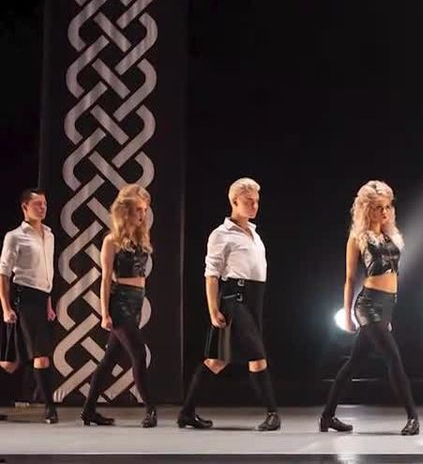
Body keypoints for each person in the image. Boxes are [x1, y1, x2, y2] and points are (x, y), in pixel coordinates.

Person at [177, 178, 280, 431]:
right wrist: (213, 309)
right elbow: (211, 274)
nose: (254, 206)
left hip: (255, 299)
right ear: (234, 201)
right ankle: (272, 413)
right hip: (235, 298)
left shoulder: (254, 234)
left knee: (217, 360)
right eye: (248, 201)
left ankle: (187, 412)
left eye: (256, 201)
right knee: (257, 355)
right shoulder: (221, 234)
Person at [319, 180, 419, 435]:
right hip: (368, 304)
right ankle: (412, 417)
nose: (384, 212)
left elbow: (394, 275)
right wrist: (347, 314)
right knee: (393, 357)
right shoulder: (358, 238)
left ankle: (327, 416)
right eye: (378, 208)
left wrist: (388, 314)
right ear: (367, 209)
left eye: (387, 207)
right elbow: (350, 279)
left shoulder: (390, 235)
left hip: (387, 305)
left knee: (354, 362)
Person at [79, 184, 158, 427]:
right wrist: (104, 313)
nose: (142, 215)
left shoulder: (140, 237)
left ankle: (88, 411)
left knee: (110, 359)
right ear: (126, 212)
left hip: (136, 300)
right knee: (139, 353)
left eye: (144, 210)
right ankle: (151, 409)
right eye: (138, 210)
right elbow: (105, 280)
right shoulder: (111, 240)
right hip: (120, 301)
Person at [0, 189, 59, 424]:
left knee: (11, 363)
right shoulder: (14, 236)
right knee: (41, 355)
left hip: (41, 299)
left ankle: (49, 407)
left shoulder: (49, 234)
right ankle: (50, 409)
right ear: (25, 207)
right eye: (37, 204)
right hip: (22, 299)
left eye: (44, 204)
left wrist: (49, 303)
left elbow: (46, 274)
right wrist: (6, 308)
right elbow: (4, 274)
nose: (42, 208)